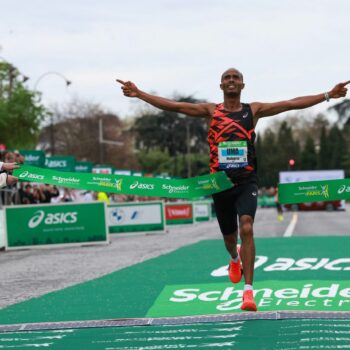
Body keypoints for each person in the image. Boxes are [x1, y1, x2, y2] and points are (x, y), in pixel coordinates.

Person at [116, 70, 349, 312]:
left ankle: (248, 292)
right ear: (220, 85)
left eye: (235, 77)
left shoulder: (253, 110)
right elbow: (175, 106)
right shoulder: (211, 111)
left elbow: (290, 104)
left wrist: (327, 95)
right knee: (230, 238)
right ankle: (234, 258)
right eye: (227, 78)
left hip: (247, 180)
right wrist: (139, 94)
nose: (231, 80)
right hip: (220, 183)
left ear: (242, 85)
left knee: (246, 226)